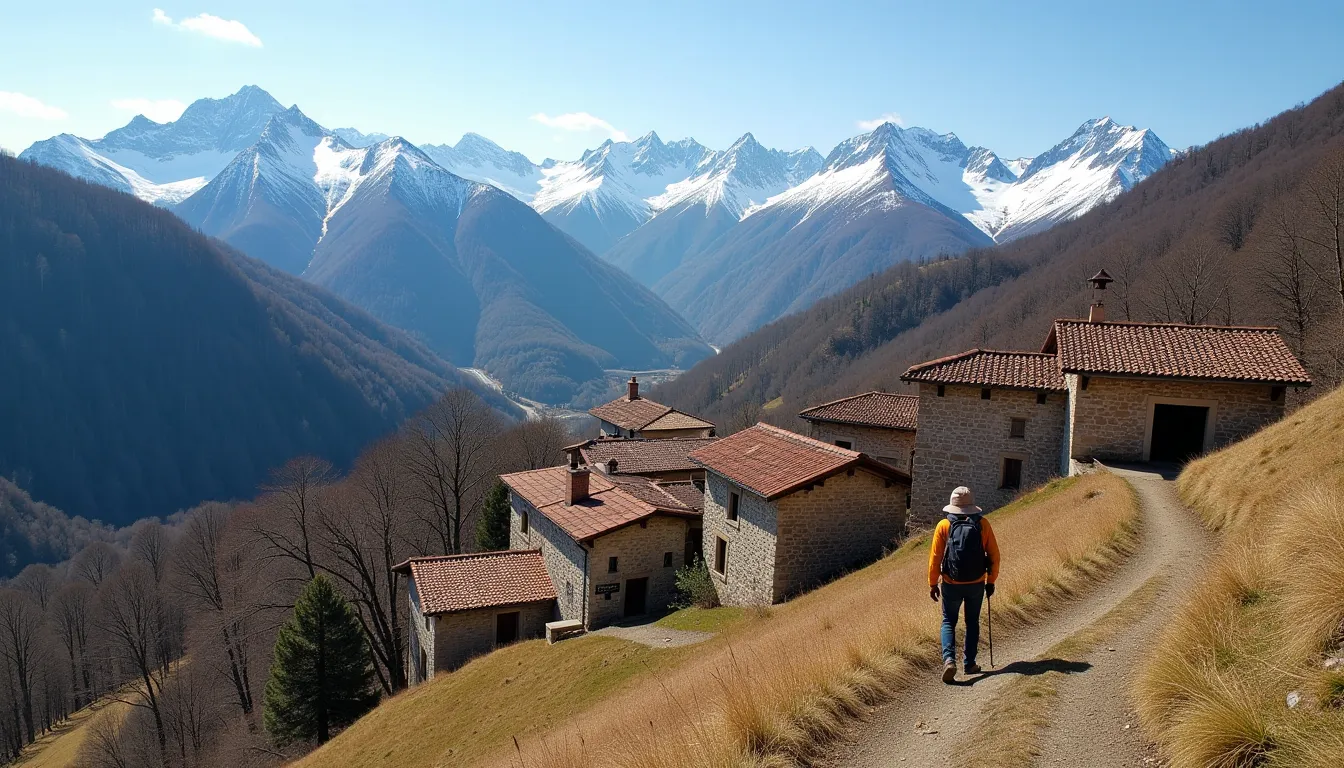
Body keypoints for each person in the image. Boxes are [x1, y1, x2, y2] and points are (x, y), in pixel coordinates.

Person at [928, 486, 1000, 683]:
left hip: (951, 582)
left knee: (948, 621)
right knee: (972, 622)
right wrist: (991, 581)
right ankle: (970, 663)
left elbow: (935, 558)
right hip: (976, 582)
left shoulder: (944, 525)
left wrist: (933, 583)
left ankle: (949, 660)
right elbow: (994, 555)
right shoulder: (983, 524)